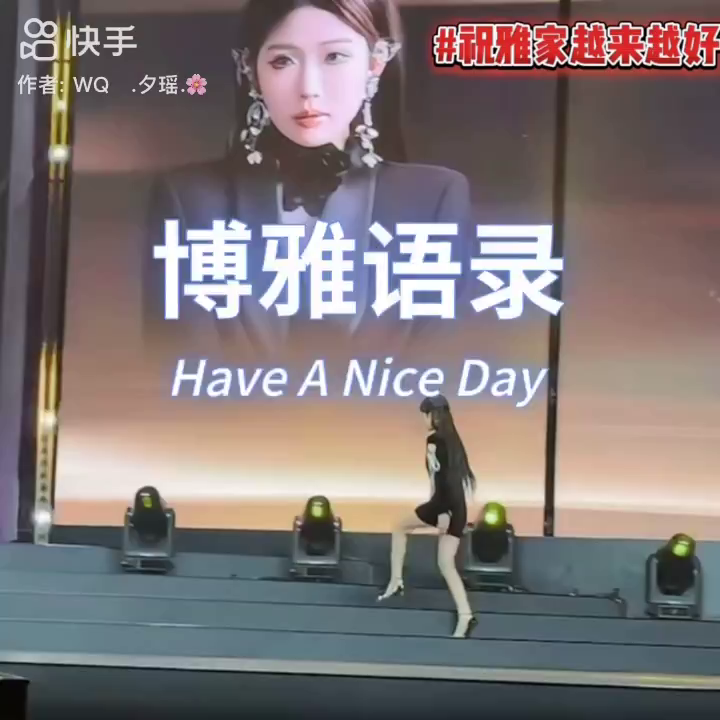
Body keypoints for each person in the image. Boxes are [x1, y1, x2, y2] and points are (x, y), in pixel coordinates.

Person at [144, 0, 473, 355]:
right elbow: (174, 366)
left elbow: (442, 364)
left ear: (375, 63)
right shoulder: (191, 201)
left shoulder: (434, 199)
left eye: (334, 57)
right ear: (251, 70)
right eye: (282, 61)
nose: (309, 88)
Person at [378, 394, 477, 639]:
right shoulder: (453, 440)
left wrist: (442, 513)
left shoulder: (434, 441)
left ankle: (396, 582)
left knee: (399, 526)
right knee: (445, 563)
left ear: (434, 415)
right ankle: (465, 615)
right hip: (458, 508)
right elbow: (449, 481)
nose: (423, 420)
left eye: (425, 415)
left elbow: (441, 481)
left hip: (443, 505)